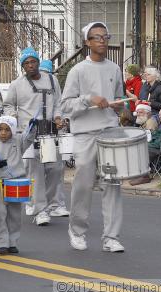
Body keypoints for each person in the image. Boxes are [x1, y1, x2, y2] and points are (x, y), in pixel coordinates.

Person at [61, 21, 125, 252]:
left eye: (105, 36)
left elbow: (119, 99)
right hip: (85, 134)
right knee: (83, 184)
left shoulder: (115, 69)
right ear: (87, 42)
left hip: (110, 132)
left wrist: (119, 107)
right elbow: (66, 106)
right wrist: (89, 99)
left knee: (112, 184)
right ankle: (77, 231)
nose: (102, 40)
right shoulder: (77, 70)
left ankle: (111, 237)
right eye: (97, 37)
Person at [3, 47, 69, 225]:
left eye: (33, 62)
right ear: (23, 67)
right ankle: (40, 210)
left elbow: (58, 102)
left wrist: (57, 117)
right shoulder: (17, 84)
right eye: (26, 63)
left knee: (55, 169)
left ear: (38, 63)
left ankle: (45, 203)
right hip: (30, 133)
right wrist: (14, 120)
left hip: (50, 130)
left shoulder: (51, 79)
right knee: (36, 172)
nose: (30, 65)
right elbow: (8, 105)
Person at [0, 116, 35, 255]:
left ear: (13, 130)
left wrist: (33, 126)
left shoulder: (18, 141)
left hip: (16, 183)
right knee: (1, 213)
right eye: (0, 129)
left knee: (15, 215)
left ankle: (12, 242)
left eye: (7, 130)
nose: (3, 133)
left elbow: (28, 137)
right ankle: (1, 243)